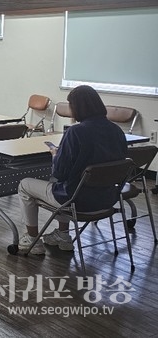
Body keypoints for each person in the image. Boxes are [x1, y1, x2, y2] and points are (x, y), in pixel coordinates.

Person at [17, 85, 127, 255]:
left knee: (25, 185)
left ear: (77, 108)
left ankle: (32, 239)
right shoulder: (117, 131)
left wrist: (55, 155)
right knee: (66, 183)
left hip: (77, 201)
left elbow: (59, 173)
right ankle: (63, 236)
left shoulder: (76, 132)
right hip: (107, 199)